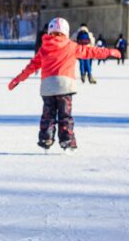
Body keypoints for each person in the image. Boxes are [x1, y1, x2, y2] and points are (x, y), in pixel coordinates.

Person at [8, 17, 120, 150]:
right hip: (65, 86)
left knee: (48, 115)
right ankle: (67, 139)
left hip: (48, 87)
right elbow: (90, 51)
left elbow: (31, 67)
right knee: (65, 115)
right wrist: (109, 52)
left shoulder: (44, 49)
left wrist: (17, 79)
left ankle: (46, 137)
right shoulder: (72, 46)